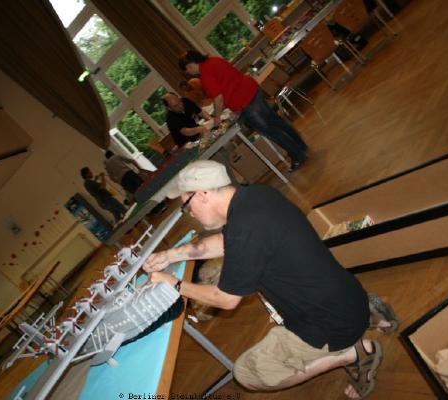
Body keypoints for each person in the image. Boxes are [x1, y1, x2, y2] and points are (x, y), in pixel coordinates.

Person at [143, 160, 383, 399]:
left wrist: (174, 284)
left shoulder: (245, 229)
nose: (191, 213)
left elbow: (225, 299)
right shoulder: (256, 196)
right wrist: (171, 255)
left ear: (202, 194)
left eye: (187, 205)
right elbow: (227, 242)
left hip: (328, 323)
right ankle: (370, 313)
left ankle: (354, 353)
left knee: (246, 374)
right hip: (347, 295)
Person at [178, 50, 308, 170]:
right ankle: (301, 146)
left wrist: (217, 117)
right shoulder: (214, 60)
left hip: (245, 102)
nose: (189, 73)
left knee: (271, 131)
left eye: (187, 70)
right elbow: (228, 82)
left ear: (189, 65)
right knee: (276, 121)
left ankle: (298, 155)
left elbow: (218, 98)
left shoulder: (205, 74)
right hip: (252, 91)